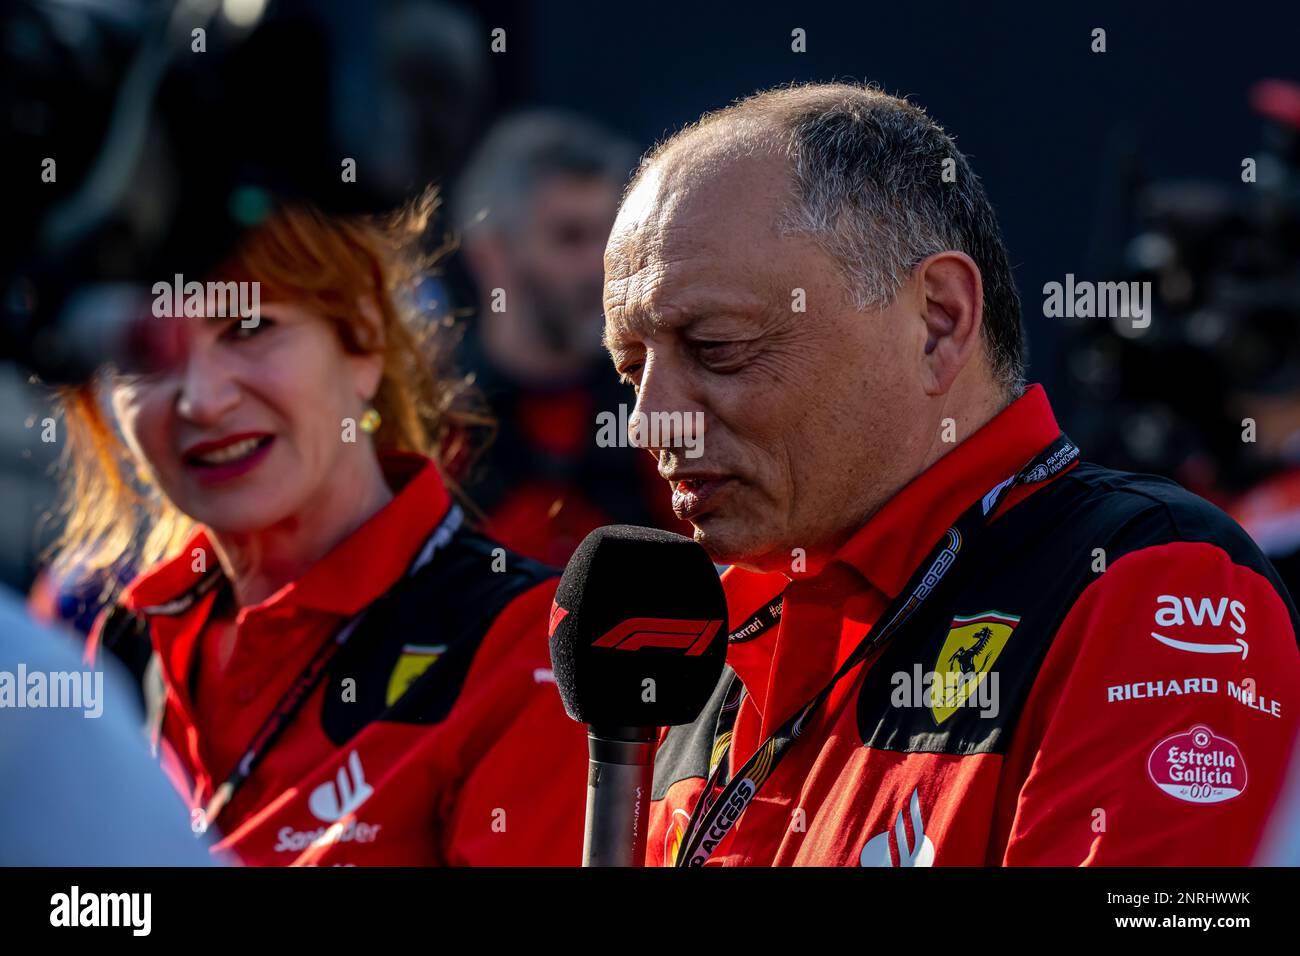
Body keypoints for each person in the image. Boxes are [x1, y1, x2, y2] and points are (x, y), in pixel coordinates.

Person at [601, 82, 1300, 866]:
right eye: (631, 370)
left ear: (938, 320)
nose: (652, 419)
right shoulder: (707, 652)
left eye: (718, 347)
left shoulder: (1158, 587)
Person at [54, 196, 586, 865]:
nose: (203, 398)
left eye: (248, 326)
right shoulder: (116, 643)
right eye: (146, 349)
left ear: (361, 339)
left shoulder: (529, 647)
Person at [452, 112, 683, 566]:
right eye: (570, 237)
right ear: (491, 253)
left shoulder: (666, 406)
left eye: (612, 237)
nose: (601, 266)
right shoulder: (433, 423)